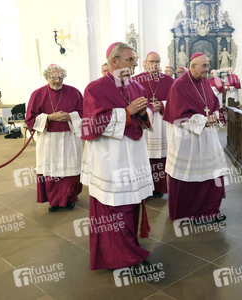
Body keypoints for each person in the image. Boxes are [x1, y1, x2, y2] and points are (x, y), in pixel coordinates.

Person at [81, 42, 155, 273]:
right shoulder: (94, 89)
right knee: (115, 207)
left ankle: (130, 248)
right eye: (130, 59)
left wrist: (143, 113)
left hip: (134, 156)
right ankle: (121, 257)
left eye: (135, 59)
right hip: (110, 160)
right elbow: (91, 125)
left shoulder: (136, 87)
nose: (135, 64)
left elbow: (148, 115)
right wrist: (127, 112)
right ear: (114, 61)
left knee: (131, 204)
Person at [163, 52, 227, 222]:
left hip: (207, 137)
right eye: (204, 66)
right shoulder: (179, 85)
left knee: (210, 174)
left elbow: (214, 103)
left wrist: (213, 115)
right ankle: (187, 214)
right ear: (192, 66)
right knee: (189, 177)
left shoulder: (205, 82)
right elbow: (178, 116)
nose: (207, 69)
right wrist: (203, 121)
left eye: (208, 65)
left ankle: (210, 211)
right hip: (188, 140)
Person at [25, 64, 83, 212]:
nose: (57, 81)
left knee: (69, 171)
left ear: (64, 76)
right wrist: (50, 117)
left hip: (69, 137)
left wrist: (70, 116)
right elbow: (30, 118)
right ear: (47, 77)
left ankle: (70, 199)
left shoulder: (74, 92)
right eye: (53, 77)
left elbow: (85, 114)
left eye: (59, 77)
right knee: (52, 172)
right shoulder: (37, 94)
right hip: (48, 139)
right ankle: (54, 201)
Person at [133, 52, 174, 198]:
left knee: (161, 157)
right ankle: (144, 187)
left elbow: (176, 102)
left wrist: (162, 105)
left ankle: (159, 187)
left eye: (157, 61)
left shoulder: (169, 80)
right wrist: (149, 107)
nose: (154, 65)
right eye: (151, 61)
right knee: (143, 155)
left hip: (162, 124)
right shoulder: (136, 80)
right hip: (144, 122)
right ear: (145, 63)